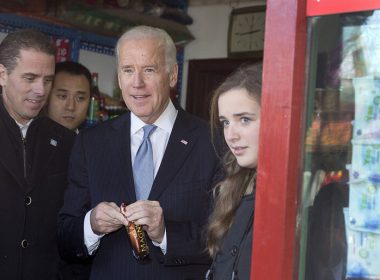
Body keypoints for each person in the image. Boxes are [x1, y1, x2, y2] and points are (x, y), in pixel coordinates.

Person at [57, 25, 219, 279]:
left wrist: (165, 232)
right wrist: (92, 225)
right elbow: (65, 237)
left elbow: (224, 237)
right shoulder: (92, 143)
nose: (137, 83)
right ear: (119, 78)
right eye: (128, 70)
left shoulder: (211, 141)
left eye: (149, 70)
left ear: (173, 75)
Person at [0, 29, 76, 279]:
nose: (41, 90)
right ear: (2, 75)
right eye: (30, 78)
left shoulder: (66, 141)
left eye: (47, 80)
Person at [205, 63, 262, 280]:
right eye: (225, 123)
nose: (231, 135)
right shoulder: (234, 186)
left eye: (244, 120)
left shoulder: (309, 194)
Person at [46, 61, 91, 132]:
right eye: (63, 96)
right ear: (46, 97)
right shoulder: (29, 138)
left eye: (80, 98)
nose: (70, 107)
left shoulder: (92, 142)